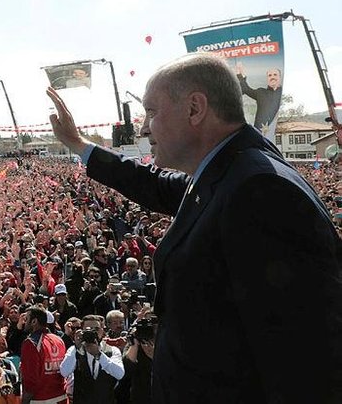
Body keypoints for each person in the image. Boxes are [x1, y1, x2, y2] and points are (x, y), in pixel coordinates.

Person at [47, 53, 342, 402]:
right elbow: (153, 183)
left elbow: (305, 361)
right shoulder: (227, 171)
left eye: (152, 112)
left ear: (195, 109)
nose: (143, 127)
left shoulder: (259, 191)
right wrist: (80, 146)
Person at [59, 315, 124, 404]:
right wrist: (76, 348)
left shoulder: (112, 350)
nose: (93, 333)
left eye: (96, 329)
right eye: (88, 329)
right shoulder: (74, 350)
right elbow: (64, 372)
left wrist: (99, 355)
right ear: (82, 331)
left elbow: (119, 374)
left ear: (102, 331)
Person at [20, 307, 66, 404]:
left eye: (26, 319)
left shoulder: (30, 343)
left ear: (34, 321)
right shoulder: (59, 340)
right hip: (62, 397)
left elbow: (31, 380)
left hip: (40, 400)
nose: (24, 322)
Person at [234, 62, 282, 133]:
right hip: (260, 133)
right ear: (267, 78)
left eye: (275, 75)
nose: (272, 77)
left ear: (279, 77)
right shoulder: (261, 92)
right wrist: (240, 74)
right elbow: (246, 89)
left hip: (279, 129)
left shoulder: (284, 92)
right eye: (270, 75)